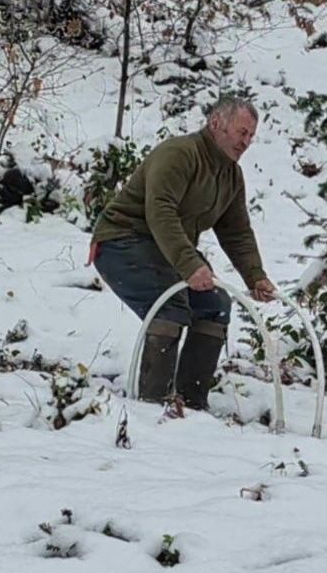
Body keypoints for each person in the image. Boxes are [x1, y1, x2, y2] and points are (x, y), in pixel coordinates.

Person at [89, 97, 276, 409]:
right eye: (242, 132)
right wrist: (190, 264)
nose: (246, 143)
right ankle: (151, 405)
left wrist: (256, 277)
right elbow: (160, 212)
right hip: (121, 242)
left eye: (251, 136)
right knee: (170, 306)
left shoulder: (231, 176)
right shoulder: (178, 154)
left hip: (166, 248)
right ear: (216, 124)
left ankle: (191, 403)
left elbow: (237, 232)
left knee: (214, 304)